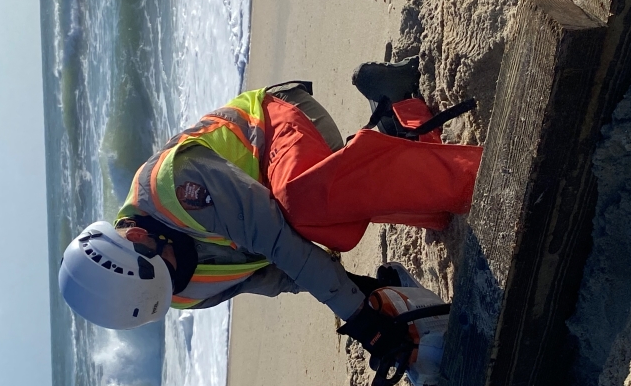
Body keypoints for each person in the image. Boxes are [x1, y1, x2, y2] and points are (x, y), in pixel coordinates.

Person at [59, 71, 482, 362]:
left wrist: (361, 321)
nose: (178, 274)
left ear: (136, 238)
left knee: (306, 206)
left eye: (167, 268)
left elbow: (278, 240)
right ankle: (400, 108)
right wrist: (373, 298)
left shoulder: (175, 186)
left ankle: (480, 176)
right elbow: (278, 274)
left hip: (280, 122)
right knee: (397, 221)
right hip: (290, 196)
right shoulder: (172, 290)